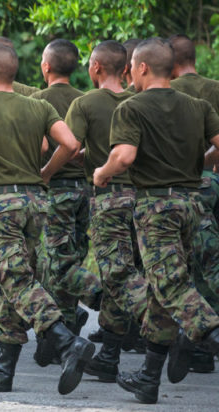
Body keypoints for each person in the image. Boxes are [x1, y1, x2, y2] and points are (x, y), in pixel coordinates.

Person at [0, 44, 95, 394]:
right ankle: (3, 367)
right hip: (36, 202)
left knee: (14, 280)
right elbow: (70, 145)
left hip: (1, 204)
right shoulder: (39, 106)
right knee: (14, 278)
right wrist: (45, 172)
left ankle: (64, 339)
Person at [93, 37, 219, 404]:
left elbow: (125, 157)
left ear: (142, 67)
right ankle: (149, 377)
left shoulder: (131, 108)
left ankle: (210, 335)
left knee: (172, 285)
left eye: (132, 65)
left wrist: (102, 173)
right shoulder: (198, 106)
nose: (129, 71)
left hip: (156, 208)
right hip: (193, 205)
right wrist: (204, 163)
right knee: (160, 293)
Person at [65, 40, 147, 383]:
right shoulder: (140, 102)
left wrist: (58, 168)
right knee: (122, 273)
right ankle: (110, 355)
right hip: (145, 197)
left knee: (118, 274)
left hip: (109, 195)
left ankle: (175, 322)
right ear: (126, 68)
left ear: (96, 67)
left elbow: (69, 146)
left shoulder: (85, 103)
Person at [30, 39, 99, 344]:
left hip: (55, 190)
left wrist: (42, 171)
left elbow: (41, 146)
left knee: (58, 263)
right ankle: (66, 332)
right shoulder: (86, 100)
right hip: (84, 190)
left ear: (46, 66)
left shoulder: (37, 100)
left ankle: (102, 295)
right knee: (73, 256)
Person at [168, 34, 219, 373]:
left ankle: (196, 339)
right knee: (209, 256)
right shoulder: (214, 88)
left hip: (180, 185)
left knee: (181, 263)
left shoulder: (168, 94)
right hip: (212, 179)